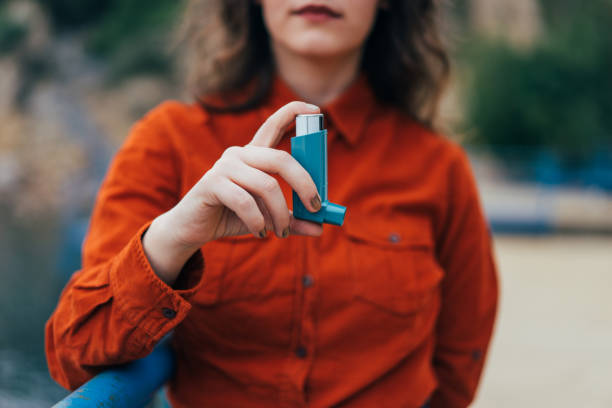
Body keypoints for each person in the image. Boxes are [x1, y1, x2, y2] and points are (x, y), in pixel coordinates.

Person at [45, 1, 498, 407]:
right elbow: (73, 351)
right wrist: (174, 238)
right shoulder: (167, 142)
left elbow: (461, 358)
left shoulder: (439, 168)